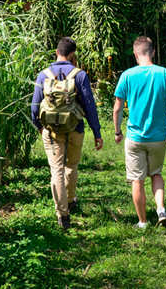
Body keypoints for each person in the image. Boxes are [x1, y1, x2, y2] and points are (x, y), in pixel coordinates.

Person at [31, 37, 103, 230]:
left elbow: (34, 105)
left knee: (56, 170)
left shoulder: (43, 74)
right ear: (72, 55)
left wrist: (39, 126)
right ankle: (70, 200)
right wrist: (97, 132)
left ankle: (62, 213)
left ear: (57, 51)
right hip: (75, 128)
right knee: (71, 166)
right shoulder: (79, 75)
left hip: (52, 130)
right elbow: (89, 106)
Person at [113, 36, 166, 229]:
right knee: (156, 174)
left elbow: (117, 108)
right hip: (158, 137)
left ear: (136, 54)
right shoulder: (165, 74)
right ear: (152, 52)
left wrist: (117, 131)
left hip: (135, 137)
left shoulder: (127, 76)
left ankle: (143, 221)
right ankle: (161, 209)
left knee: (137, 179)